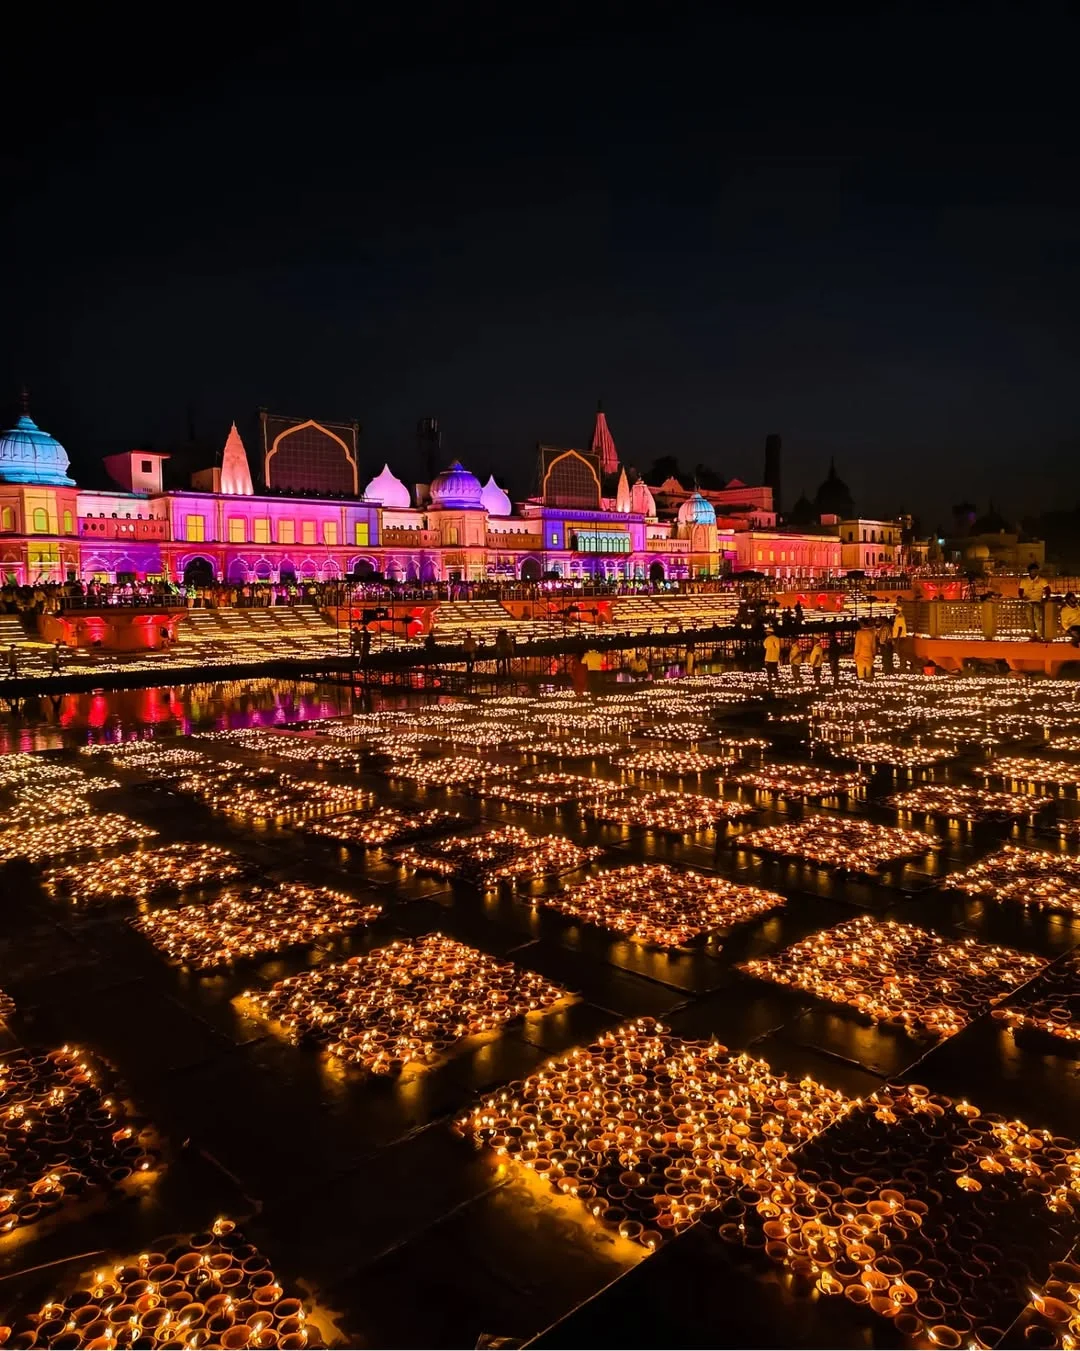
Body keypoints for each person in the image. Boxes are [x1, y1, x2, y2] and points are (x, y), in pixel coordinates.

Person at [1020, 561, 1049, 638]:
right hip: (1028, 602)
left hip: (1037, 602)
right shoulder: (1024, 581)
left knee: (1037, 619)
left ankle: (1039, 635)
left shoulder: (1042, 580)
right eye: (1033, 570)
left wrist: (1045, 599)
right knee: (1030, 619)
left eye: (1036, 570)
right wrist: (1023, 597)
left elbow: (1048, 590)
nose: (1034, 572)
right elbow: (1020, 591)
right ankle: (1032, 634)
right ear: (1029, 571)